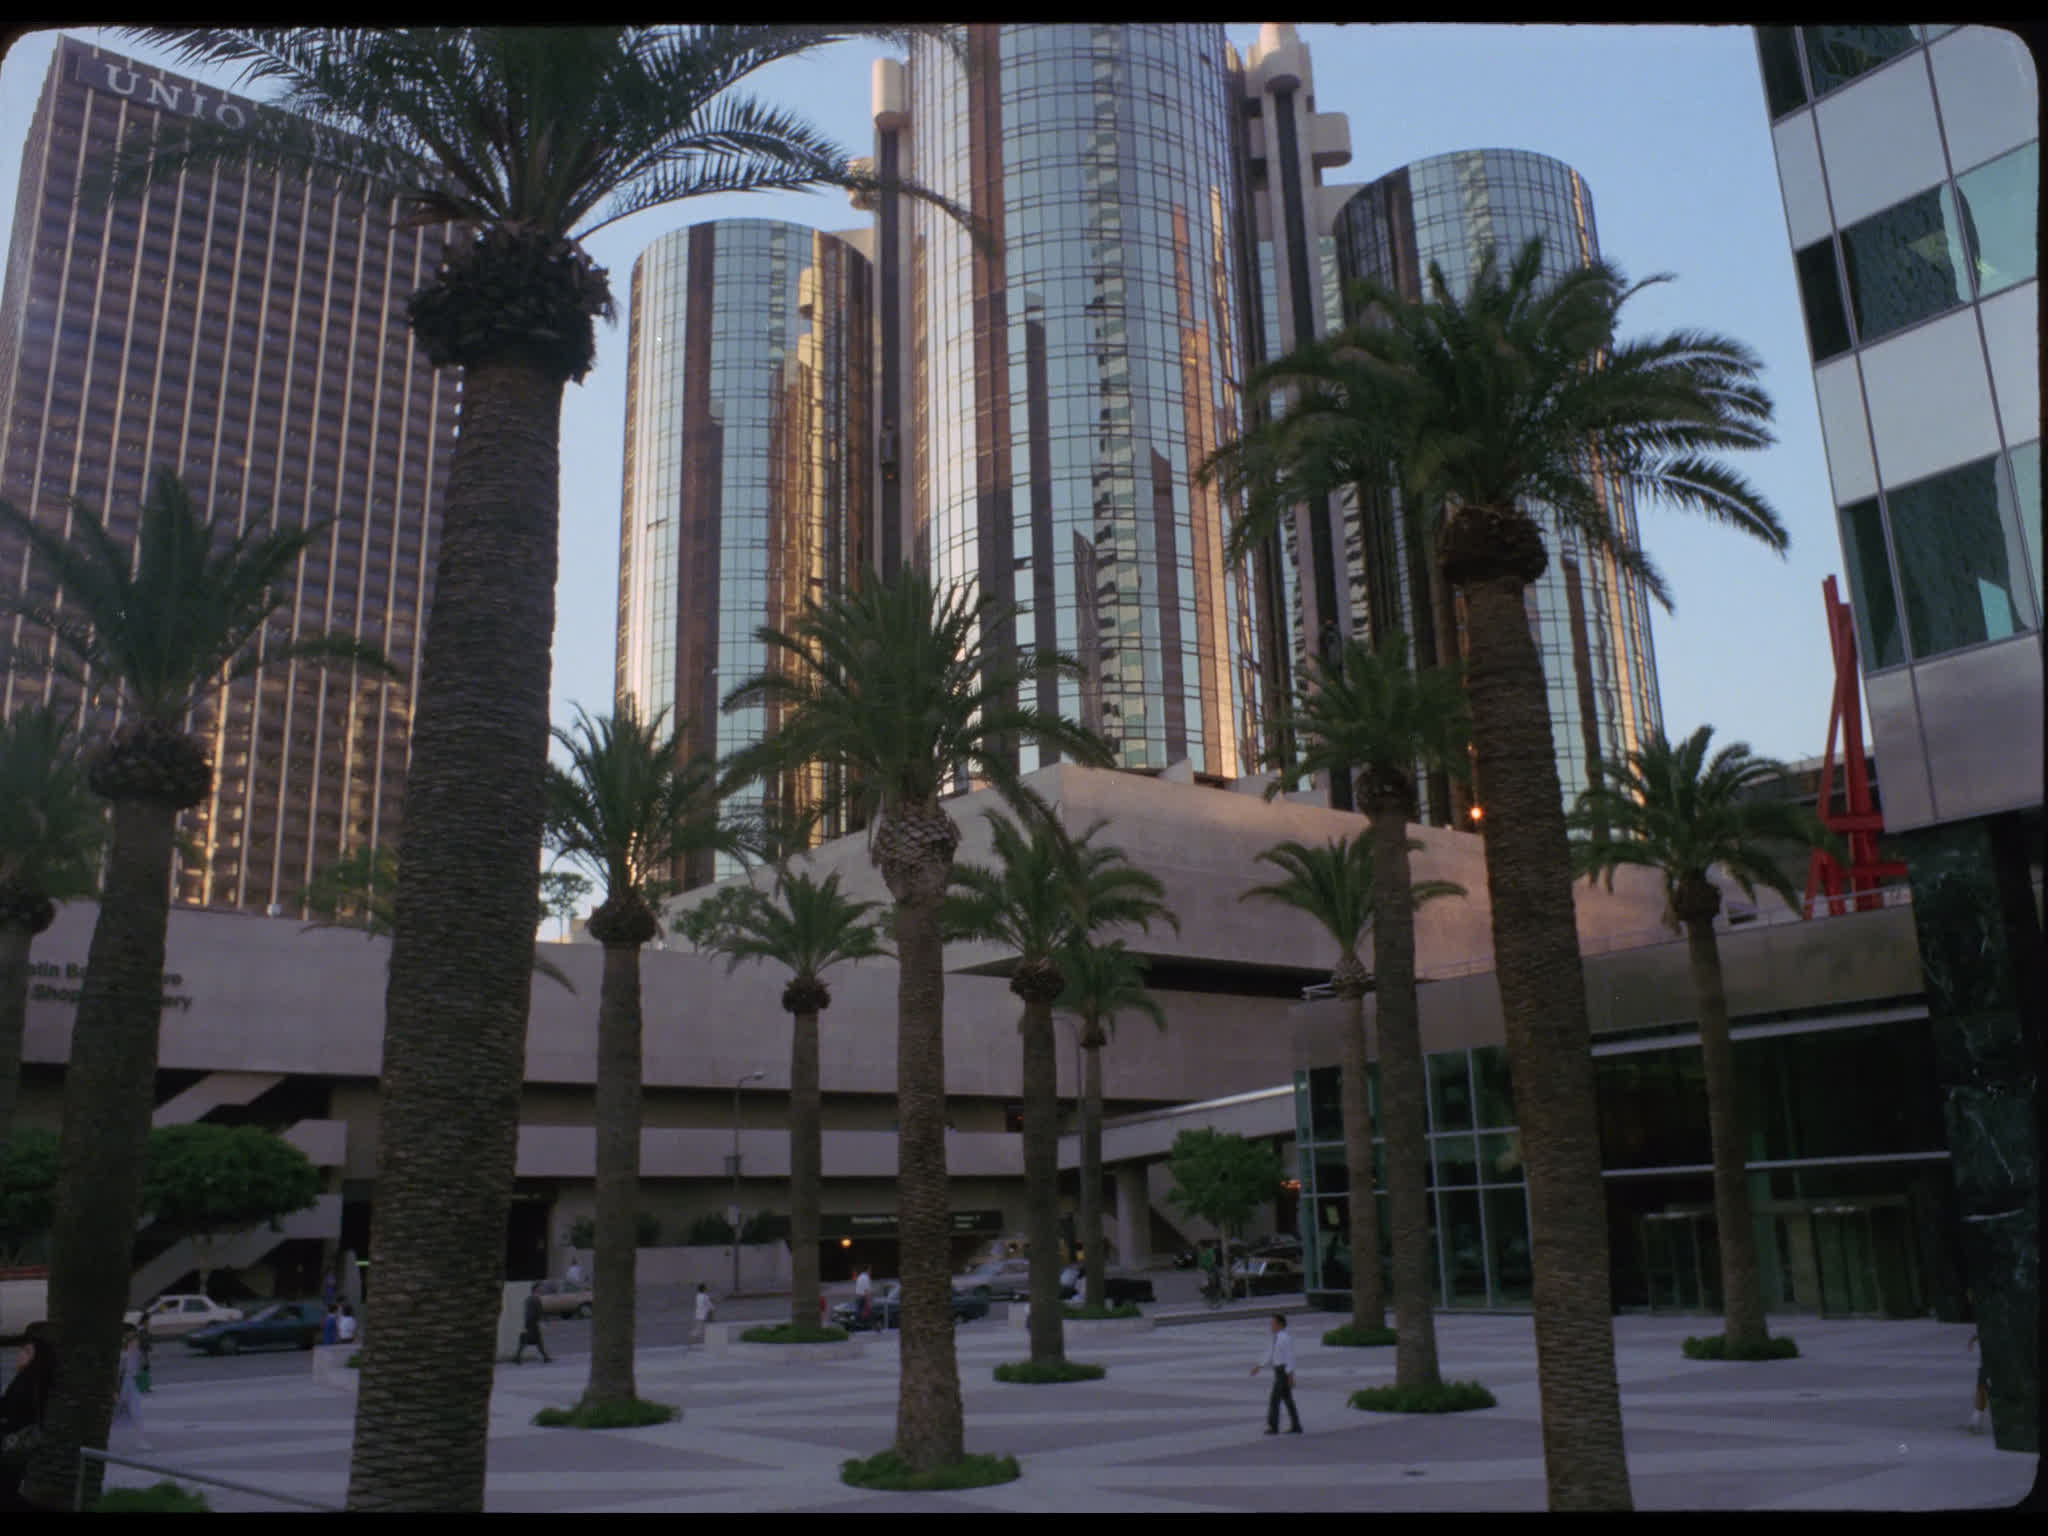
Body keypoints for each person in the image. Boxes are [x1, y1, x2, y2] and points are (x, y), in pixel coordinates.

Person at [1, 1322, 55, 1509]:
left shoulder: (29, 1382)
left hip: (16, 1444)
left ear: (36, 1357)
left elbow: (14, 1411)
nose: (19, 1355)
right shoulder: (28, 1378)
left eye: (26, 1351)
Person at [1251, 1312, 1302, 1435]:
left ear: (1280, 1324)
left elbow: (1289, 1357)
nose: (1271, 1326)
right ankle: (1296, 1425)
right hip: (1279, 1371)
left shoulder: (1285, 1338)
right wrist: (1259, 1366)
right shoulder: (1276, 1338)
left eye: (1273, 1323)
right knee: (1288, 1400)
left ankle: (1274, 1427)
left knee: (1275, 1399)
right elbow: (1270, 1352)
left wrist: (1290, 1375)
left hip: (1283, 1372)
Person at [112, 1325, 152, 1452]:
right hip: (122, 1385)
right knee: (113, 1414)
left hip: (130, 1385)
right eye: (134, 1339)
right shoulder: (122, 1355)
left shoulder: (135, 1353)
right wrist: (115, 1391)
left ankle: (141, 1441)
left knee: (137, 1412)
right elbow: (118, 1374)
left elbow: (140, 1369)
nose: (137, 1342)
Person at [514, 1282, 551, 1364]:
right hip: (533, 1324)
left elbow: (528, 1313)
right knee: (529, 1341)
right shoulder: (535, 1299)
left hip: (530, 1323)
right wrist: (542, 1321)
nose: (542, 1290)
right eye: (540, 1289)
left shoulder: (528, 1299)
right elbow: (539, 1312)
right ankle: (517, 1357)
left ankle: (545, 1357)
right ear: (536, 1290)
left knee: (535, 1342)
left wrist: (526, 1323)